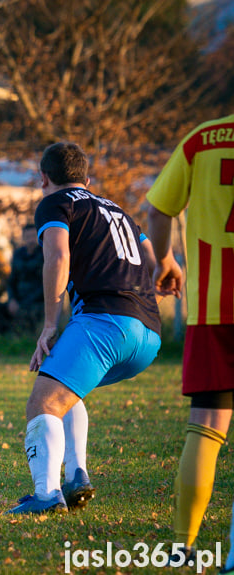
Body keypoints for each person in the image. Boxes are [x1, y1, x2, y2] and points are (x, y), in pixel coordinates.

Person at [6, 142, 162, 514]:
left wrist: (48, 325)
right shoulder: (118, 209)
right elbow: (153, 260)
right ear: (86, 179)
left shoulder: (56, 202)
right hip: (148, 335)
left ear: (44, 177)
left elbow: (58, 256)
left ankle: (46, 496)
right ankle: (77, 476)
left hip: (105, 321)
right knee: (66, 391)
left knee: (42, 402)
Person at [144, 113, 234, 564]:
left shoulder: (203, 140)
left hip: (211, 308)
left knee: (206, 427)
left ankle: (183, 545)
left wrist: (164, 260)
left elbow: (159, 210)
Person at [7, 223, 45, 333]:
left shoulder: (44, 254)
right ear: (23, 238)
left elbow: (45, 285)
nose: (31, 240)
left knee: (26, 316)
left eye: (33, 236)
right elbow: (12, 280)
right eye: (28, 237)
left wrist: (25, 302)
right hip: (19, 298)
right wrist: (12, 299)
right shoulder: (18, 254)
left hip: (38, 300)